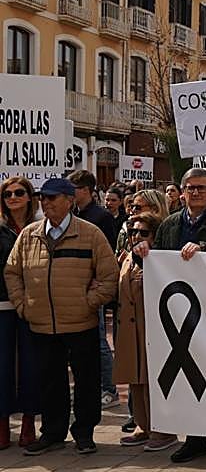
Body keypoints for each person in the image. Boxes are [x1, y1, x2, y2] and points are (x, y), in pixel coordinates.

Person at [6, 178, 118, 456]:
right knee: (50, 381)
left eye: (53, 198)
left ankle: (84, 433)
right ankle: (53, 433)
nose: (46, 203)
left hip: (81, 323)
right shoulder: (29, 235)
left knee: (86, 381)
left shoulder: (90, 234)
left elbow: (108, 276)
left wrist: (88, 303)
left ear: (69, 201)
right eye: (44, 198)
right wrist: (23, 305)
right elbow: (12, 272)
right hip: (41, 323)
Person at [137, 168, 206, 465]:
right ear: (182, 191)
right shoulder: (170, 224)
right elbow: (159, 260)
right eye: (191, 188)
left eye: (202, 188)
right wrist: (143, 252)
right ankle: (195, 439)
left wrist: (205, 249)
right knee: (189, 378)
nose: (196, 193)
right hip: (181, 312)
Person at [114, 212, 176, 453]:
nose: (137, 237)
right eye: (133, 232)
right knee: (136, 380)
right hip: (130, 329)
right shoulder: (128, 258)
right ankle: (143, 425)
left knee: (154, 380)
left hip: (152, 328)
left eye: (143, 233)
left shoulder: (159, 259)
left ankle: (163, 429)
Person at [68, 170, 120, 408]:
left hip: (93, 288)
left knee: (100, 341)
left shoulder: (101, 217)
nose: (70, 193)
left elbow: (107, 253)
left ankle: (109, 389)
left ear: (86, 190)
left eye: (74, 189)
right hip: (74, 287)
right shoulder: (72, 215)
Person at [0, 176, 38, 449]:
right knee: (1, 368)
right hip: (1, 306)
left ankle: (28, 422)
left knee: (30, 366)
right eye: (7, 194)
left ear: (29, 196)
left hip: (33, 306)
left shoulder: (40, 228)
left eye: (18, 192)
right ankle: (2, 424)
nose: (12, 197)